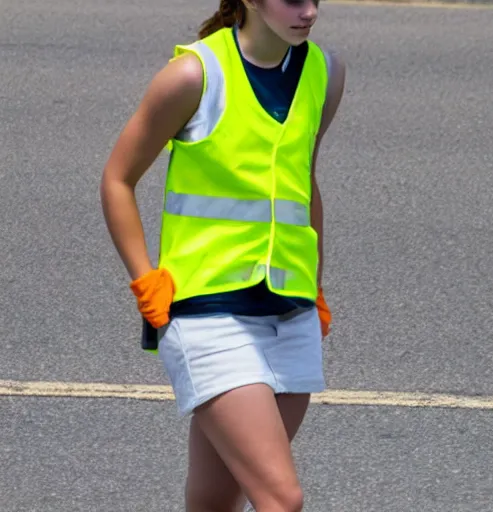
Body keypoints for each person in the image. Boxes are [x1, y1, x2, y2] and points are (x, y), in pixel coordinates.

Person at [100, 0, 345, 510]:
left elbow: (304, 182)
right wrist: (145, 280)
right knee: (282, 498)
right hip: (207, 312)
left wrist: (314, 285)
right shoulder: (193, 74)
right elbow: (117, 180)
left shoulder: (325, 72)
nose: (310, 12)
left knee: (214, 499)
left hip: (291, 311)